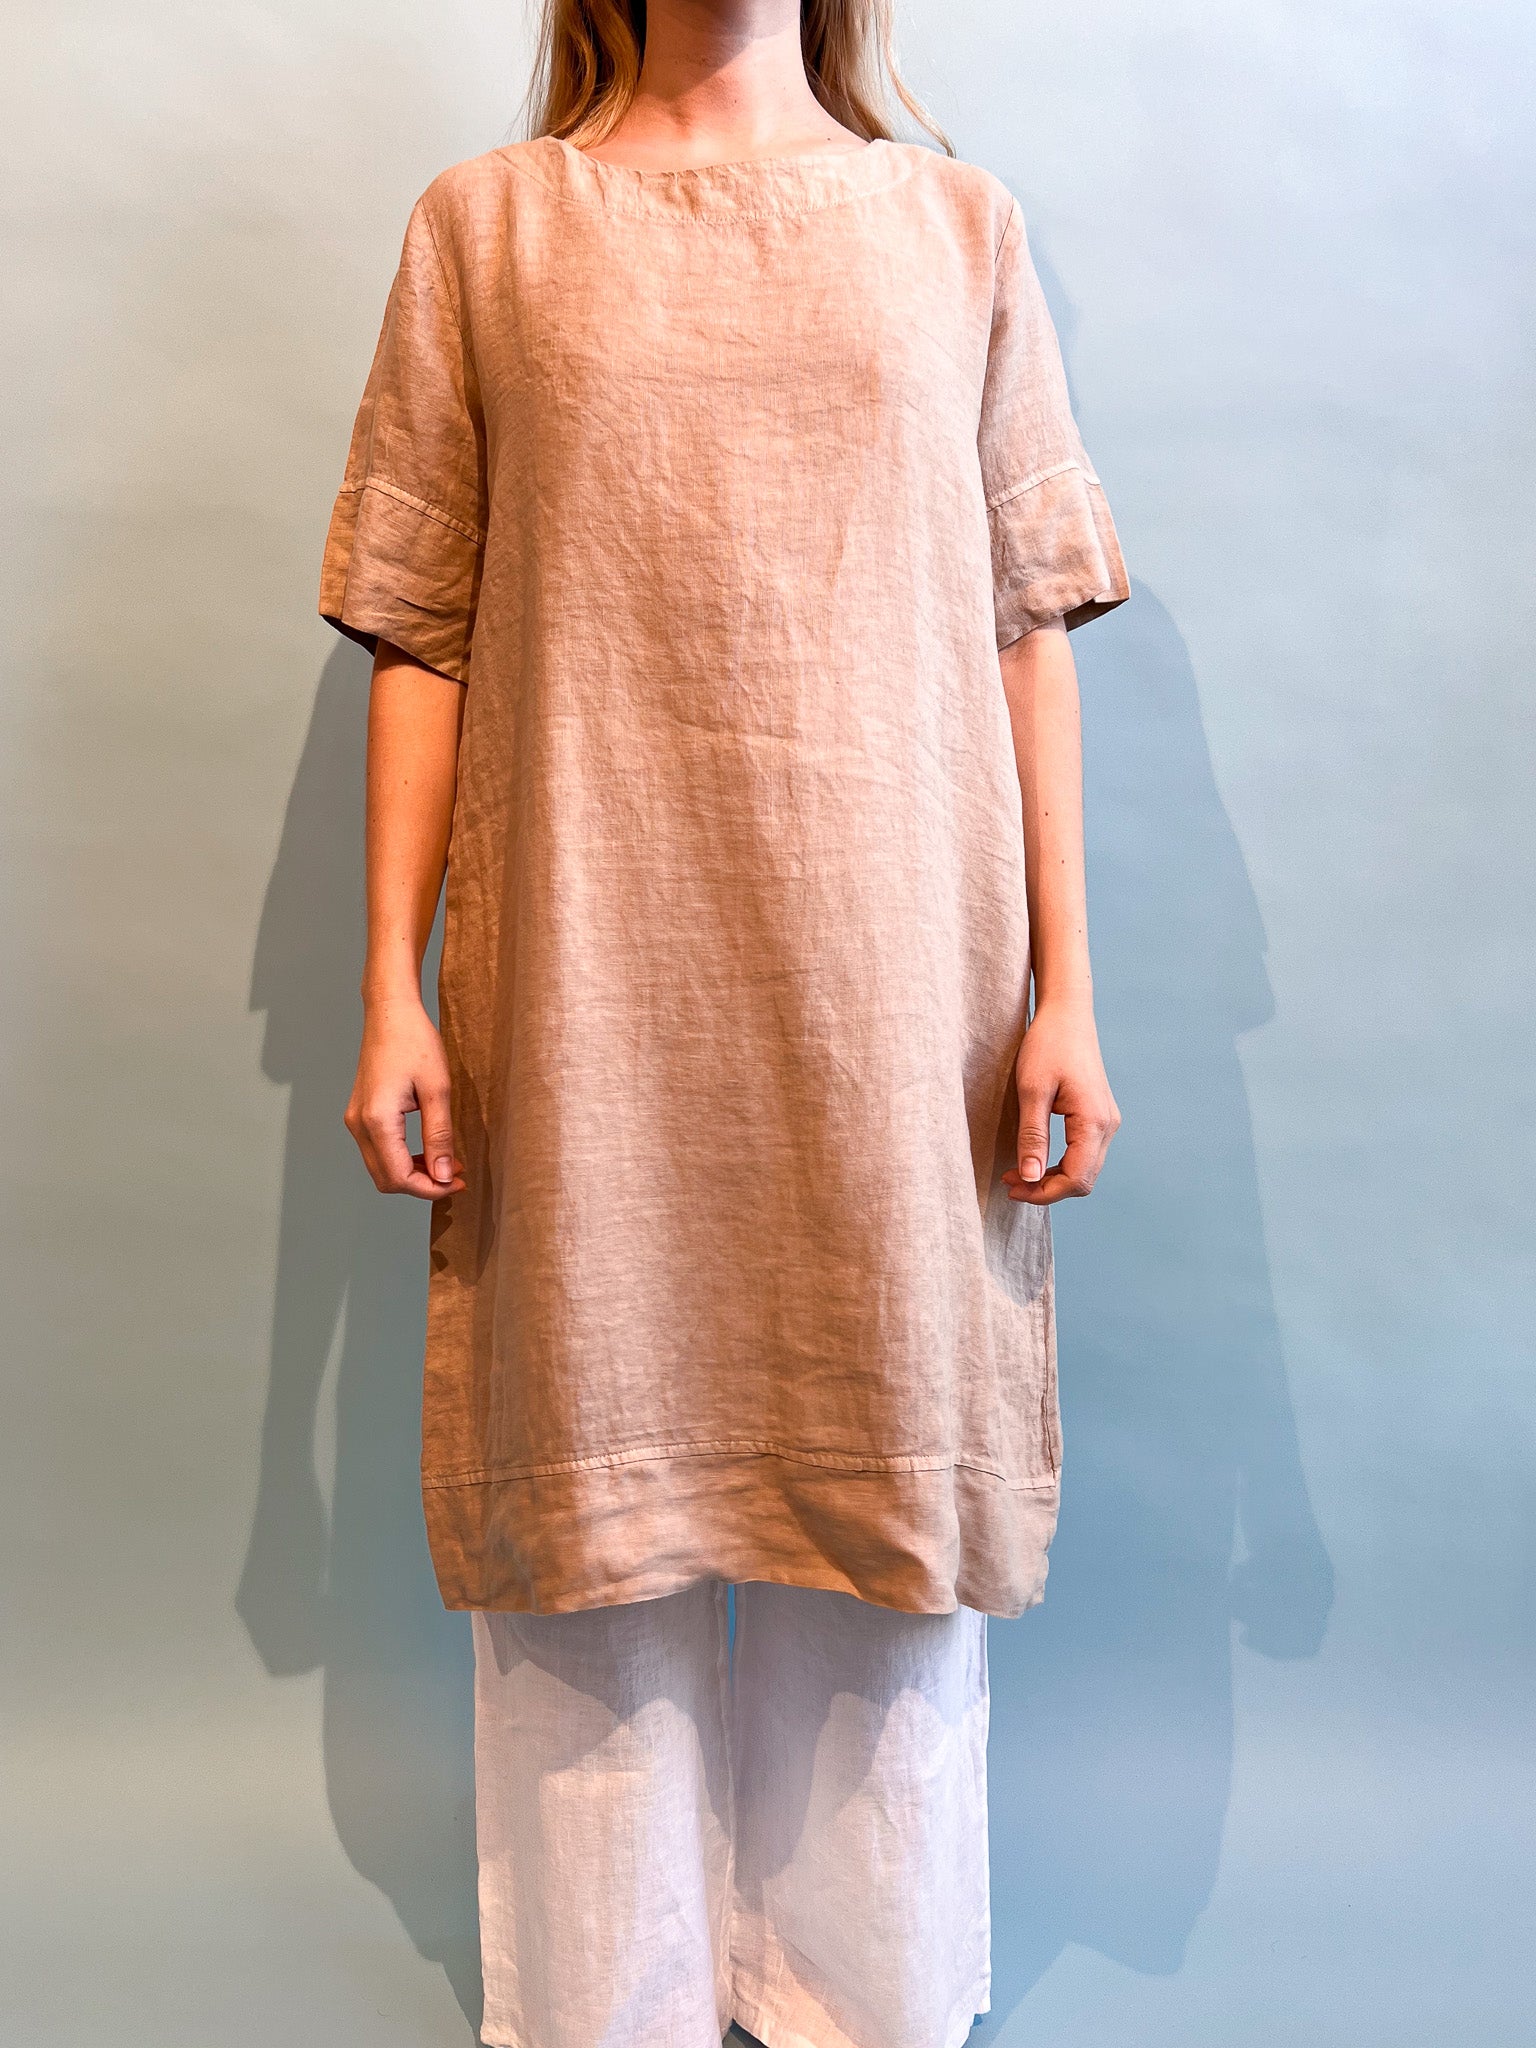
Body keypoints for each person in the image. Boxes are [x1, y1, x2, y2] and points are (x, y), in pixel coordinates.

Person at [319, 3, 1129, 2043]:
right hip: (587, 967)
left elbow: (1028, 630)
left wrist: (1069, 992)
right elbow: (420, 632)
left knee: (880, 1490)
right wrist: (390, 988)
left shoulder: (956, 227)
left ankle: (865, 1996)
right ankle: (617, 2001)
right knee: (593, 1466)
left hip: (900, 991)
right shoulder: (487, 232)